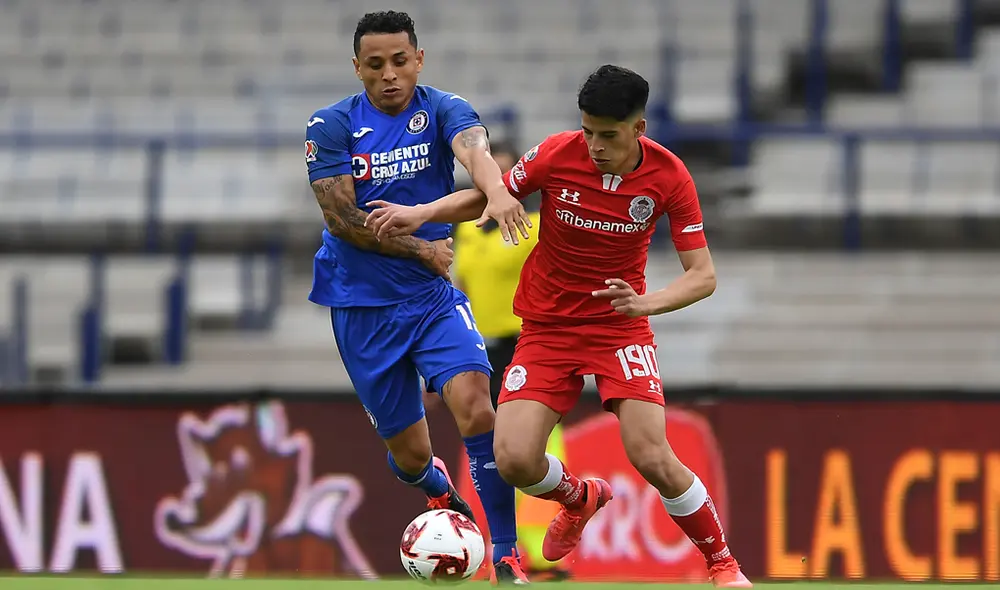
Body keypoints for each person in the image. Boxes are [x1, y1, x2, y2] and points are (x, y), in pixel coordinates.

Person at [365, 64, 753, 588]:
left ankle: (722, 564)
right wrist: (423, 213)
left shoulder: (669, 176)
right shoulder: (557, 153)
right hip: (547, 327)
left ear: (639, 128)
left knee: (651, 455)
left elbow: (702, 276)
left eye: (608, 135)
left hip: (619, 327)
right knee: (513, 459)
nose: (594, 144)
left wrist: (646, 303)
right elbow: (491, 194)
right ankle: (578, 497)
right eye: (588, 130)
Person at [304, 11, 532, 585]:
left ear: (419, 60)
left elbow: (474, 150)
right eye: (375, 65)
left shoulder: (443, 108)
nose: (389, 75)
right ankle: (442, 495)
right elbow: (342, 219)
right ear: (357, 67)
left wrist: (496, 187)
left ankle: (506, 557)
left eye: (399, 62)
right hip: (361, 305)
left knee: (478, 403)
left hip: (430, 299)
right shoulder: (329, 125)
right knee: (409, 457)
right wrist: (424, 249)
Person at [451, 142, 566, 580]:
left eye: (503, 177)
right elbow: (458, 284)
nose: (495, 185)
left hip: (527, 342)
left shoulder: (536, 228)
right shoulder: (463, 231)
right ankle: (486, 544)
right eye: (488, 177)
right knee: (481, 441)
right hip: (479, 345)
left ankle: (542, 551)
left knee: (534, 444)